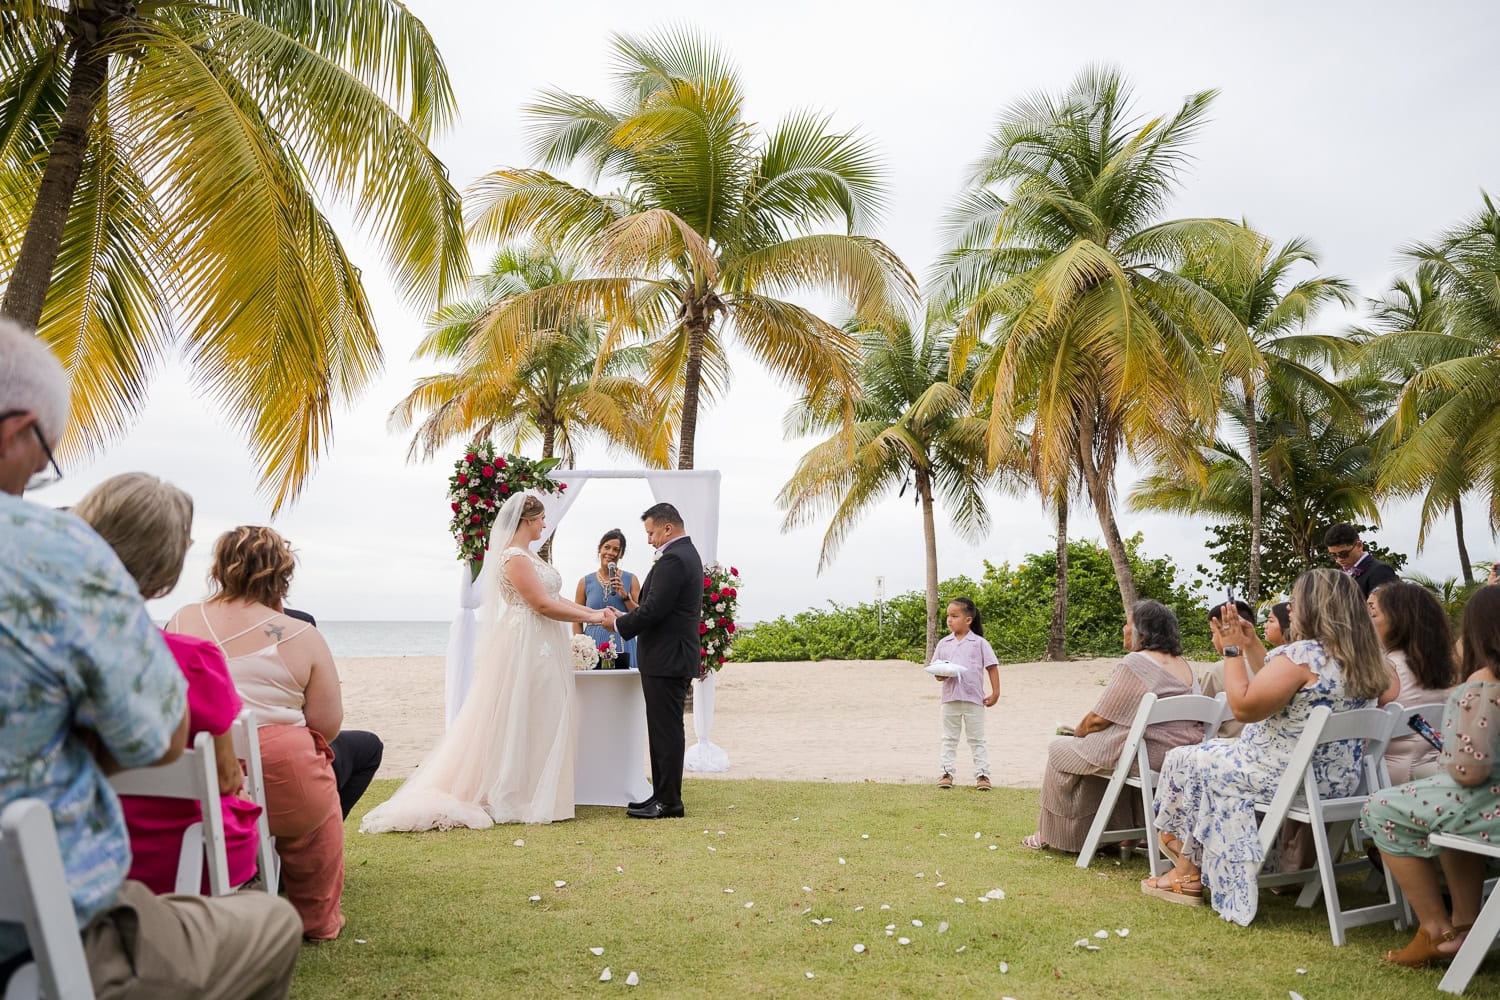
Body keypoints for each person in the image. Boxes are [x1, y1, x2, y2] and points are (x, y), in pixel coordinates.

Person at [0, 319, 300, 998]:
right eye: (43, 454)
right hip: (44, 933)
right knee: (269, 924)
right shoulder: (59, 557)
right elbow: (156, 740)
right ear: (16, 429)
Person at [1145, 569, 1397, 924]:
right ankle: (1193, 864)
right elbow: (1278, 681)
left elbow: (1246, 707)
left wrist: (1232, 649)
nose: (1290, 608)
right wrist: (1251, 646)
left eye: (1295, 601)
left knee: (1185, 757)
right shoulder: (1366, 658)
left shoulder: (1302, 656)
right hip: (1337, 780)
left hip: (1278, 776)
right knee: (1206, 756)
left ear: (1315, 606)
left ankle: (1186, 868)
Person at [361, 493, 609, 831]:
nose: (544, 524)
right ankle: (516, 795)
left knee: (544, 710)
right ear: (526, 520)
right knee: (527, 709)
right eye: (540, 519)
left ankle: (539, 792)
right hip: (528, 642)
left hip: (544, 640)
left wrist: (594, 614)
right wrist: (595, 615)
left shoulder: (529, 556)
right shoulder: (514, 558)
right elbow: (541, 605)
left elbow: (555, 598)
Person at [73, 473, 262, 893]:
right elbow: (227, 779)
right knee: (274, 922)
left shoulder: (45, 652)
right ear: (165, 565)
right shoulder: (194, 661)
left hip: (73, 859)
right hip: (186, 860)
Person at [169, 527, 346, 940]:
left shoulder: (181, 619)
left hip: (198, 770)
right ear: (283, 572)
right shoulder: (302, 635)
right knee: (316, 819)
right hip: (280, 773)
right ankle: (317, 920)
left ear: (219, 567)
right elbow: (326, 724)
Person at [1361, 584, 1500, 967]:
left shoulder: (1484, 682)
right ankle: (1466, 926)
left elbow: (1470, 771)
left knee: (1381, 807)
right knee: (1444, 815)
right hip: (1485, 802)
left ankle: (1435, 928)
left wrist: (1450, 752)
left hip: (1489, 803)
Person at [1022, 600, 1201, 852]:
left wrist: (1079, 732)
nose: (1123, 629)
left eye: (1127, 624)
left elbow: (1099, 718)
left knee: (1059, 750)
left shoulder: (1137, 663)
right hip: (1178, 755)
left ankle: (1050, 835)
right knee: (1105, 753)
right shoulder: (1185, 666)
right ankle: (1122, 833)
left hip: (1146, 755)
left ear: (1142, 630)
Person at [604, 502, 703, 820]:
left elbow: (656, 608)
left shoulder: (675, 558)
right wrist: (627, 614)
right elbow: (654, 607)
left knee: (667, 731)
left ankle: (669, 801)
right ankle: (660, 795)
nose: (649, 540)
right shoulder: (683, 554)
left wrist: (619, 625)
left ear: (668, 528)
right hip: (668, 656)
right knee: (662, 729)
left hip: (667, 658)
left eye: (651, 533)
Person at [278, 607, 384, 819]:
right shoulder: (299, 623)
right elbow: (325, 726)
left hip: (230, 754)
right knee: (369, 747)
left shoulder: (207, 624)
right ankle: (326, 824)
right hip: (290, 754)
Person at [1366, 582, 1458, 783]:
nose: (1367, 623)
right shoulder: (1449, 667)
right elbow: (1426, 729)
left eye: (1374, 615)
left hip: (1383, 777)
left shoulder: (1387, 669)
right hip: (1436, 767)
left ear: (1398, 621)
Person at [931, 598, 1000, 791]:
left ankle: (982, 775)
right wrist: (941, 675)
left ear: (968, 620)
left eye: (954, 616)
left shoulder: (979, 643)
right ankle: (946, 772)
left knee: (977, 738)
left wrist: (995, 693)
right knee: (949, 738)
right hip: (950, 698)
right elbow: (937, 669)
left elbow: (992, 667)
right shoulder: (944, 643)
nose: (949, 620)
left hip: (974, 698)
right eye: (948, 616)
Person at [573, 528, 641, 668]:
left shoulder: (631, 579)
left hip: (623, 641)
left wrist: (625, 596)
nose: (610, 553)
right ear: (599, 549)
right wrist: (580, 648)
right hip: (592, 644)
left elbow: (641, 615)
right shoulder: (585, 582)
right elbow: (577, 619)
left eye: (616, 550)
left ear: (621, 554)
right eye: (607, 547)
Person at [1196, 599, 1257, 739]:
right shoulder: (1269, 666)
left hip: (1227, 747)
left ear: (1229, 631)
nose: (1212, 640)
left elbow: (1200, 717)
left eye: (1213, 632)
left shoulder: (1216, 670)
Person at [1324, 523, 1399, 597]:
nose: (1339, 559)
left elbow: (1386, 606)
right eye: (1333, 555)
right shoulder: (1337, 576)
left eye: (1344, 554)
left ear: (1359, 545)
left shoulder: (1381, 571)